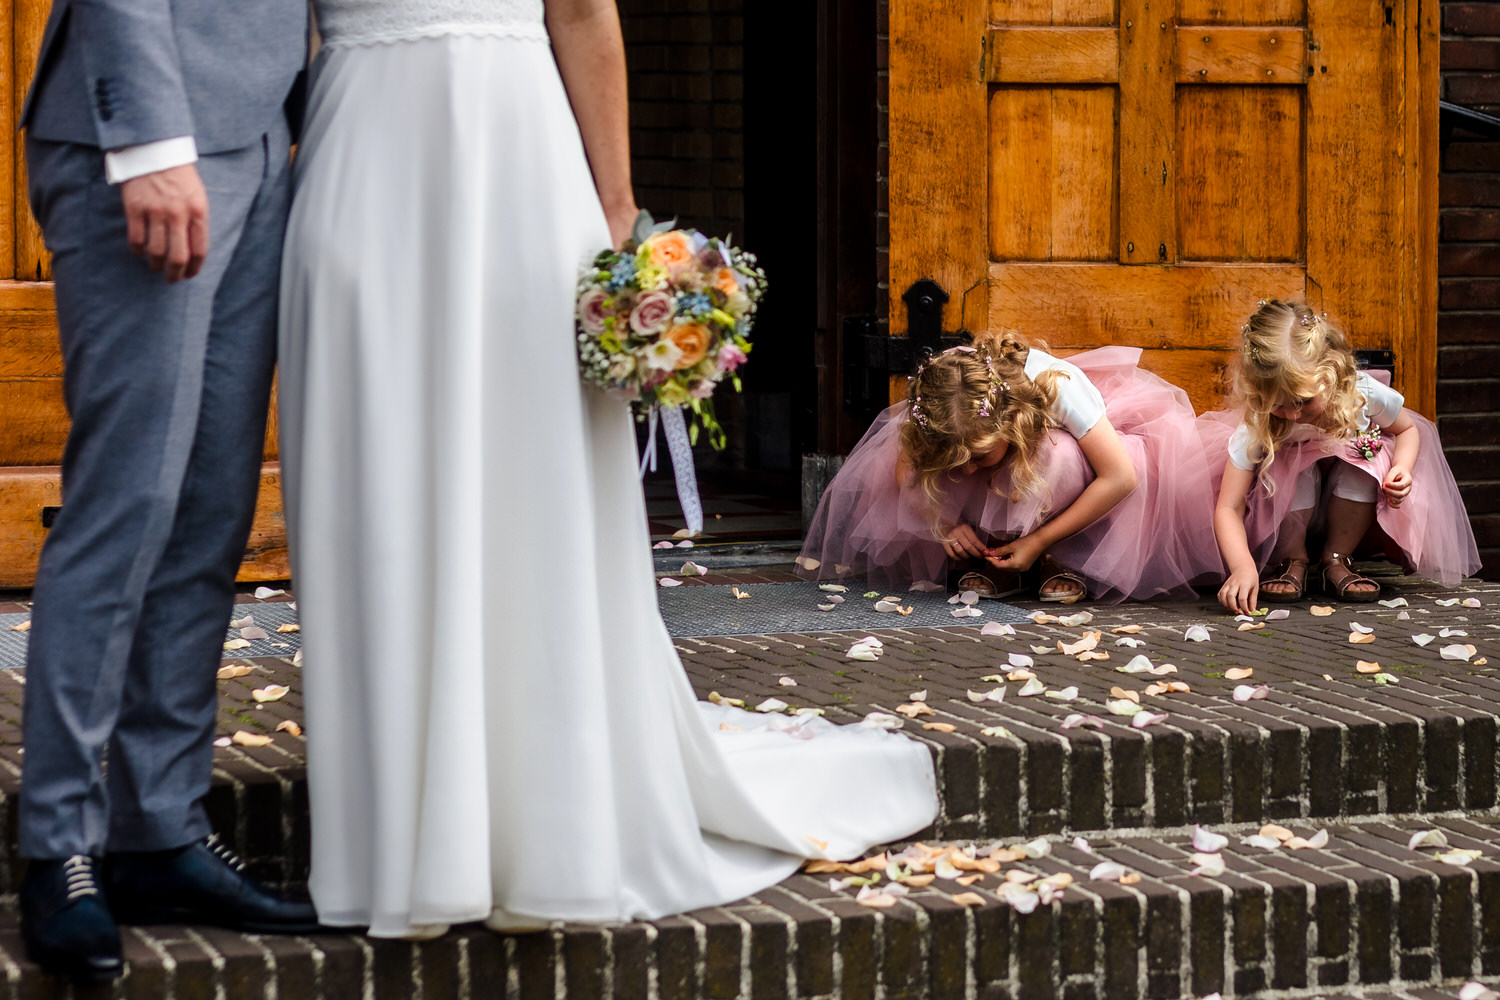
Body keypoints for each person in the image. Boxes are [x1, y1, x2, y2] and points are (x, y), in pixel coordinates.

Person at [277, 0, 938, 939]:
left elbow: (581, 9)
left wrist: (619, 218)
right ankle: (415, 827)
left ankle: (516, 830)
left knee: (501, 479)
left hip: (483, 155)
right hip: (369, 150)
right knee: (379, 469)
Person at [15, 0, 318, 982]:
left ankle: (157, 831)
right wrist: (147, 138)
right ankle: (57, 838)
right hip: (146, 146)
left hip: (268, 139)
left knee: (209, 513)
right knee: (127, 507)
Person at [798, 334, 1226, 603]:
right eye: (960, 464)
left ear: (1011, 420)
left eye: (979, 458)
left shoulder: (1057, 389)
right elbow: (905, 472)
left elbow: (1121, 477)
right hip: (1005, 456)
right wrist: (941, 523)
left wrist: (1039, 540)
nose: (965, 475)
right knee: (946, 468)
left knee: (1056, 455)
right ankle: (998, 561)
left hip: (1078, 472)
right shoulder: (943, 400)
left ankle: (1057, 557)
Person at [1212, 299, 1479, 614]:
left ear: (1330, 372)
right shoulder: (1258, 421)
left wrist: (1402, 469)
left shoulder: (1361, 394)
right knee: (1291, 466)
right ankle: (1291, 558)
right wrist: (1242, 567)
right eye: (1278, 404)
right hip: (1287, 509)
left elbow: (1408, 430)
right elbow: (1228, 506)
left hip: (1347, 507)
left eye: (1303, 400)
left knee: (1364, 464)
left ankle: (1337, 559)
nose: (1293, 414)